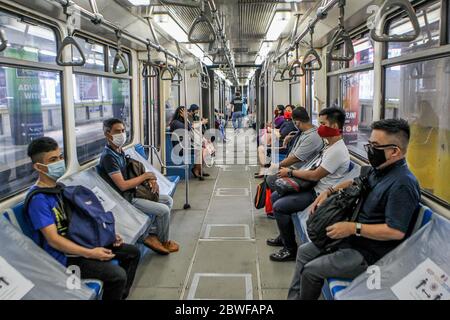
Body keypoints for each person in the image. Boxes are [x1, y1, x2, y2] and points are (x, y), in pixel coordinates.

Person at [288, 119, 421, 300]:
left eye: (375, 145)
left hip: (371, 254)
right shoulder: (379, 170)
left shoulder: (402, 184)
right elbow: (355, 182)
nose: (370, 149)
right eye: (369, 143)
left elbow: (395, 231)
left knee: (311, 271)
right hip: (352, 240)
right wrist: (329, 191)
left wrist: (352, 228)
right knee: (304, 252)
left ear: (394, 151)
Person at [25, 137, 140, 300]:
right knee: (117, 275)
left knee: (132, 253)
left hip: (79, 242)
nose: (59, 162)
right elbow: (53, 240)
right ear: (38, 167)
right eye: (53, 160)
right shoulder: (38, 200)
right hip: (63, 258)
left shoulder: (59, 189)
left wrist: (107, 237)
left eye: (60, 157)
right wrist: (90, 253)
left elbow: (82, 221)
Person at [268, 107, 350, 262]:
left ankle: (290, 249)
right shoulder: (328, 146)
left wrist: (290, 173)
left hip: (318, 193)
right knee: (275, 195)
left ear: (334, 126)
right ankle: (284, 236)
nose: (319, 127)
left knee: (280, 206)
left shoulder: (338, 150)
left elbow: (315, 175)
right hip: (312, 186)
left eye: (322, 123)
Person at [99, 118, 179, 255]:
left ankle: (152, 233)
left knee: (168, 200)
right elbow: (122, 186)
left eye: (123, 131)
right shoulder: (108, 157)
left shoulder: (119, 151)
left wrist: (150, 179)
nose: (122, 134)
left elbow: (133, 173)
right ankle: (162, 240)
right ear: (107, 134)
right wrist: (145, 177)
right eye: (117, 131)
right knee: (164, 210)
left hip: (134, 192)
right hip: (125, 198)